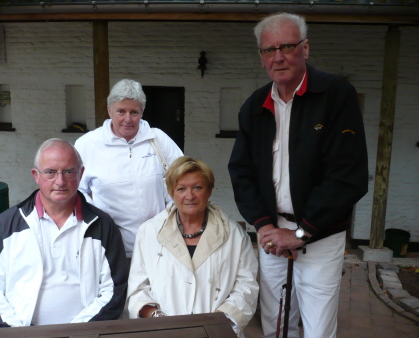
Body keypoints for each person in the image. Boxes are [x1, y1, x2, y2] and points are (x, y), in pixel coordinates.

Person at [228, 13, 368, 338]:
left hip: (320, 235)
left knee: (318, 329)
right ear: (261, 58)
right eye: (269, 50)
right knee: (276, 326)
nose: (278, 57)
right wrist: (264, 226)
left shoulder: (336, 95)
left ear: (305, 48)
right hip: (272, 234)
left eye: (287, 46)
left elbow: (347, 175)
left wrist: (302, 234)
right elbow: (242, 171)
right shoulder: (254, 106)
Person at [0, 138, 128, 329]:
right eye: (50, 172)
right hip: (18, 333)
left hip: (82, 334)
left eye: (69, 171)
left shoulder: (102, 225)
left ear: (81, 174)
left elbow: (114, 290)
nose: (60, 181)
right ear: (36, 175)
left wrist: (77, 332)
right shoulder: (7, 225)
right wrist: (15, 334)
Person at [127, 156, 259, 337]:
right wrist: (159, 319)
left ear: (209, 190)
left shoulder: (234, 234)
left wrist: (214, 324)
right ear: (171, 192)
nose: (190, 196)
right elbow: (138, 288)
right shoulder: (149, 232)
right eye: (181, 189)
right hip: (163, 333)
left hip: (217, 332)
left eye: (197, 187)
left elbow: (247, 287)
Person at [74, 79, 183, 260]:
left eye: (134, 112)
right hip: (109, 247)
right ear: (109, 110)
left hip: (159, 245)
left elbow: (183, 179)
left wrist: (170, 215)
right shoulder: (88, 144)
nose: (128, 119)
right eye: (121, 111)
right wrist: (95, 214)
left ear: (142, 112)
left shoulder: (158, 139)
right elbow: (76, 189)